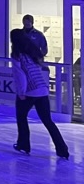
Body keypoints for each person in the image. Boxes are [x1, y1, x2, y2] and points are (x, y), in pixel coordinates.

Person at [10, 28, 69, 158]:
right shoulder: (33, 53)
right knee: (48, 121)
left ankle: (23, 145)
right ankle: (62, 149)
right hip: (42, 89)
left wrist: (21, 92)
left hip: (29, 91)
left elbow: (20, 76)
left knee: (21, 117)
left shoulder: (16, 55)